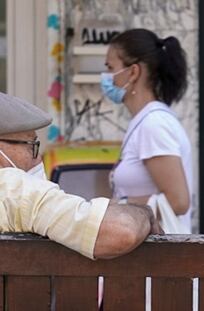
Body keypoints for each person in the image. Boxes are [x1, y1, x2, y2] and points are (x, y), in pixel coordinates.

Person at [0, 91, 162, 259]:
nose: (38, 158)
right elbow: (122, 231)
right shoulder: (12, 189)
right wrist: (145, 213)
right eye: (31, 145)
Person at [101, 28, 192, 232]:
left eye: (110, 67)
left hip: (159, 254)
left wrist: (118, 206)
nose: (106, 77)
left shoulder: (154, 124)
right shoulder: (145, 121)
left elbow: (178, 201)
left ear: (133, 72)